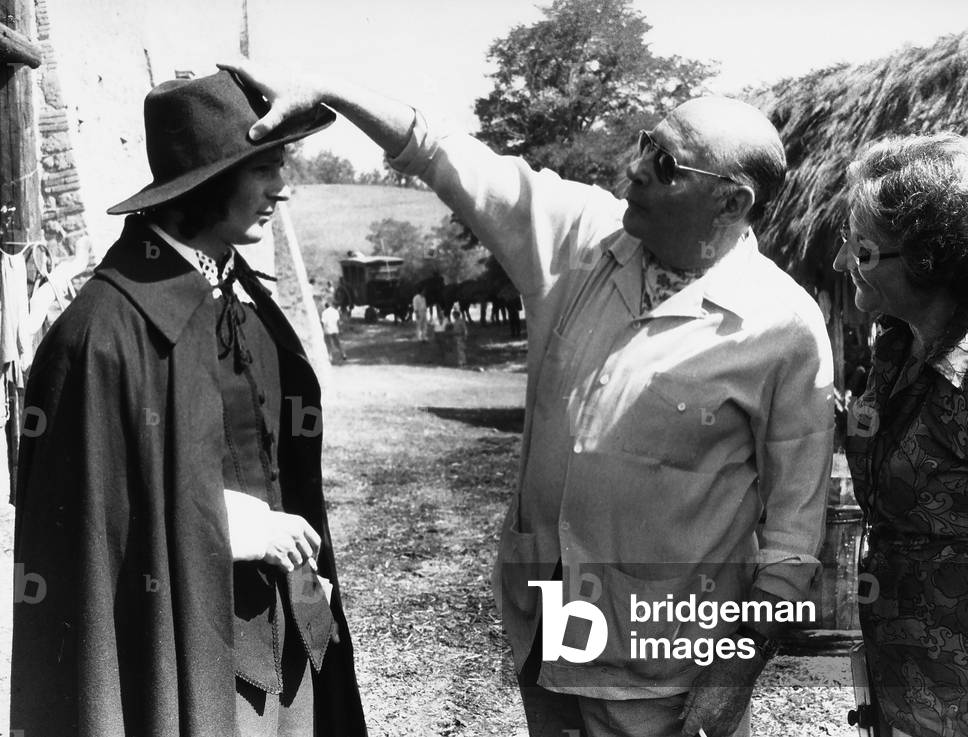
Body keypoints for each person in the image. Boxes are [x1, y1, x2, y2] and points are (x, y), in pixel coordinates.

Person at [220, 60, 835, 737]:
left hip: (667, 673)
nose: (635, 167)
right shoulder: (586, 239)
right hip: (548, 627)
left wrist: (732, 676)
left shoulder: (782, 328)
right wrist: (332, 88)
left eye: (665, 163)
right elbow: (444, 155)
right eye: (643, 141)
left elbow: (793, 543)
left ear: (731, 203)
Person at [11, 70, 366, 736]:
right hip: (190, 668)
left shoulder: (244, 302)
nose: (281, 187)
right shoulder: (97, 338)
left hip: (294, 647)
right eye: (264, 168)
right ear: (206, 182)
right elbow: (82, 541)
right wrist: (221, 525)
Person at [834, 133, 968, 737]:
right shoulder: (894, 347)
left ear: (926, 261)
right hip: (903, 691)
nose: (842, 263)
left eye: (862, 250)